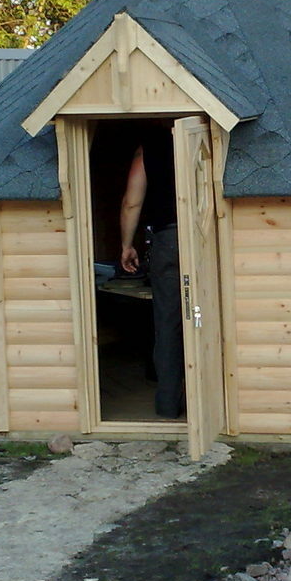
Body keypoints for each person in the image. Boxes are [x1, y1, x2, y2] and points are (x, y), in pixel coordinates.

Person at [118, 124, 185, 419]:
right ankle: (214, 404)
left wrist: (126, 245)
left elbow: (132, 202)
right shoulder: (206, 136)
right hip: (206, 235)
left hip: (167, 239)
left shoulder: (147, 148)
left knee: (168, 322)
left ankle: (168, 405)